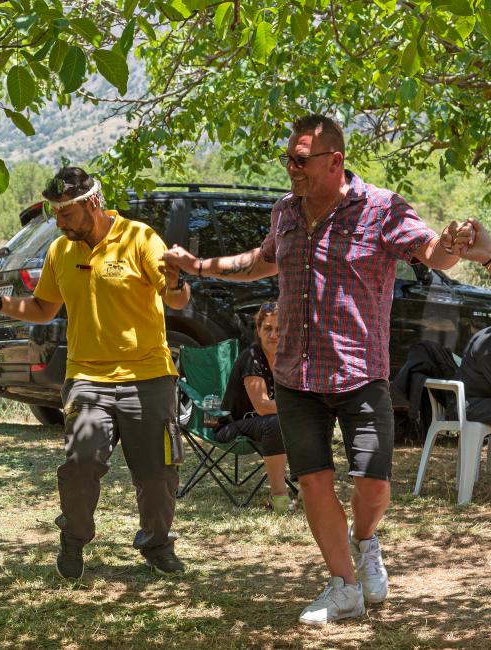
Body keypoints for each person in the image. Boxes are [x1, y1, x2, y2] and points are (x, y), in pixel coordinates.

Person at [163, 114, 471, 624]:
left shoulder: (380, 208)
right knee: (314, 482)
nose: (292, 169)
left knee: (372, 483)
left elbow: (433, 254)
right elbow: (261, 261)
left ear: (335, 161)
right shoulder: (285, 211)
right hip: (296, 376)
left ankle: (365, 542)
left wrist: (454, 243)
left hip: (360, 373)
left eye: (300, 160)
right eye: (288, 159)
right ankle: (343, 585)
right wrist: (199, 265)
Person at [0, 167, 191, 579]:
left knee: (158, 473)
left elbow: (175, 297)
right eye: (54, 212)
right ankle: (73, 541)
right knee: (81, 463)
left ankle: (157, 544)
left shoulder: (140, 238)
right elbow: (41, 309)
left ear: (91, 204)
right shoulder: (60, 252)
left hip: (149, 376)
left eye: (65, 212)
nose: (59, 221)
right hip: (89, 378)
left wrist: (176, 282)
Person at [215, 302, 291, 514]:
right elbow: (263, 407)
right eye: (267, 328)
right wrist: (298, 409)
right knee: (276, 422)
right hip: (233, 425)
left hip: (264, 424)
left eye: (279, 329)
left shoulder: (287, 357)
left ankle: (306, 487)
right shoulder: (252, 357)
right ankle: (279, 498)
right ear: (258, 330)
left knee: (312, 419)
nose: (274, 334)